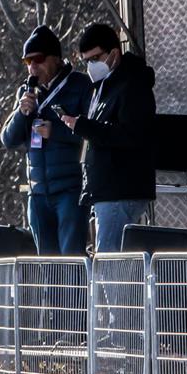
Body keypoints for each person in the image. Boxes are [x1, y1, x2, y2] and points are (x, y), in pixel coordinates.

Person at [60, 23, 156, 255]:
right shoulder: (105, 87)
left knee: (111, 269)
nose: (91, 66)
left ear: (114, 53)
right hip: (107, 189)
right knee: (112, 267)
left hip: (120, 189)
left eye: (95, 58)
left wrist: (83, 126)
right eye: (86, 61)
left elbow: (130, 135)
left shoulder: (132, 85)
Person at [1, 25, 93, 256]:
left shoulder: (80, 85)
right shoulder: (26, 91)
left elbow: (94, 136)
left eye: (38, 59)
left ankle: (78, 294)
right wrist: (22, 114)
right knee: (48, 264)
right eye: (27, 61)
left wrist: (57, 133)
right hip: (38, 192)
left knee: (72, 259)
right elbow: (9, 140)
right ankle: (52, 295)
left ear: (56, 59)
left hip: (70, 190)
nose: (33, 67)